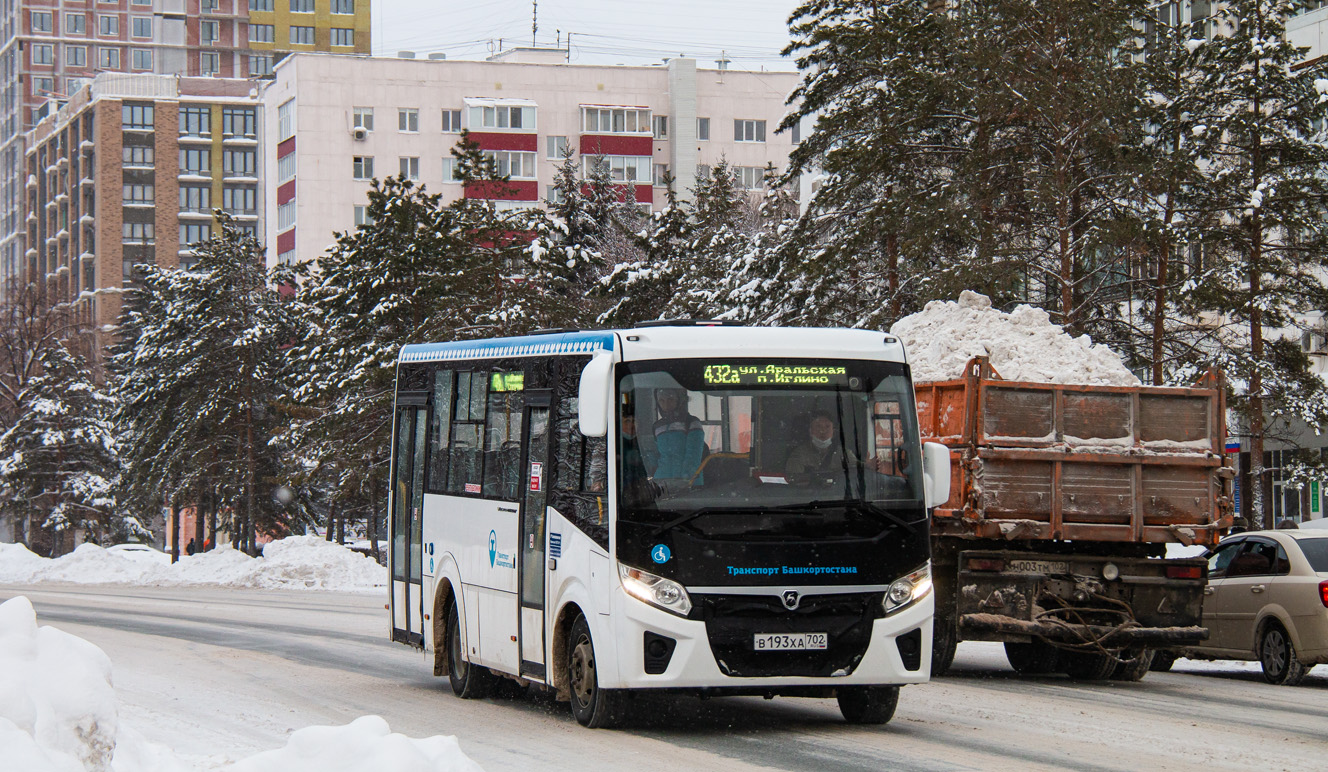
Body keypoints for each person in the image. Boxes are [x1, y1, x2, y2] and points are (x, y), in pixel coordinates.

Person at [651, 388, 706, 482]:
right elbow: (656, 455)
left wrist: (686, 479)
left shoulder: (691, 422)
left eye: (670, 399)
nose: (666, 405)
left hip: (689, 483)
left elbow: (694, 455)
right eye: (661, 401)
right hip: (662, 483)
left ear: (679, 400)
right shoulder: (657, 426)